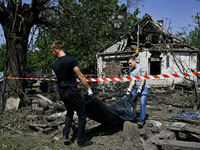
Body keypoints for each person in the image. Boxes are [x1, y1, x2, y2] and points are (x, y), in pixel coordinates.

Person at [51, 40, 93, 147]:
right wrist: (88, 88)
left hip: (62, 93)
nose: (52, 53)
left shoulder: (54, 64)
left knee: (70, 111)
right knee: (82, 115)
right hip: (72, 91)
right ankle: (81, 141)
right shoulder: (71, 60)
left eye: (52, 51)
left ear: (56, 49)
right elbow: (80, 76)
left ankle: (65, 134)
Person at [126, 56, 150, 127]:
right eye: (129, 64)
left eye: (130, 63)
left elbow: (143, 78)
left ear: (134, 61)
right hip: (136, 88)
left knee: (142, 102)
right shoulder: (131, 71)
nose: (130, 65)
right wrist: (129, 89)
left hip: (145, 87)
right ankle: (132, 117)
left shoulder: (142, 66)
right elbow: (132, 81)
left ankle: (141, 121)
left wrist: (140, 87)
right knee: (131, 101)